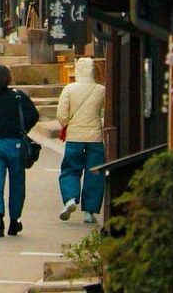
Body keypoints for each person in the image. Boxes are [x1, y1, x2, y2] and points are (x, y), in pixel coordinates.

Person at [0, 63, 40, 237]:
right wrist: (23, 131)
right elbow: (34, 115)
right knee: (17, 183)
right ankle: (15, 220)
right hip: (14, 143)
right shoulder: (17, 96)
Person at [56, 57, 106, 224]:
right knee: (94, 173)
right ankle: (90, 212)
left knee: (70, 169)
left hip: (75, 137)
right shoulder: (101, 90)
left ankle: (70, 198)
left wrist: (67, 125)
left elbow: (62, 115)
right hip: (95, 138)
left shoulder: (69, 89)